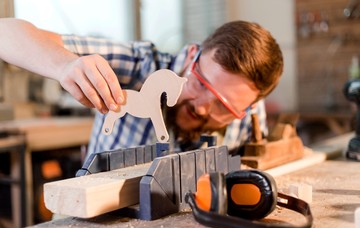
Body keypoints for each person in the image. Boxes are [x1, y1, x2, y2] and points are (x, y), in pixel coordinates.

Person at [0, 18, 283, 157]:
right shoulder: (137, 64)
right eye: (200, 83)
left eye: (223, 105)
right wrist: (64, 65)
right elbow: (5, 33)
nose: (201, 106)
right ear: (191, 56)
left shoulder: (249, 112)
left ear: (245, 108)